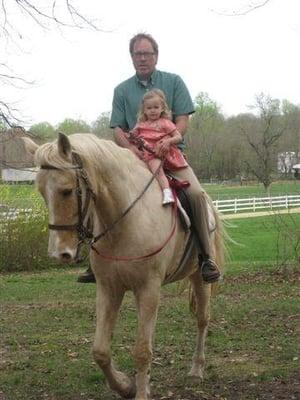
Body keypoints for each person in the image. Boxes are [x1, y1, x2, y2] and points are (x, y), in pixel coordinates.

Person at [77, 32, 220, 284]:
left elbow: (183, 120)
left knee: (196, 195)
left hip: (171, 157)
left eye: (147, 53)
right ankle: (93, 259)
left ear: (156, 55)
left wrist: (167, 142)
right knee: (98, 190)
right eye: (137, 54)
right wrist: (131, 150)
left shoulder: (174, 82)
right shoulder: (121, 90)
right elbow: (118, 128)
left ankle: (206, 257)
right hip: (134, 159)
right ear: (131, 57)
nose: (142, 58)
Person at [130, 89, 188, 205]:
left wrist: (168, 142)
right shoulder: (141, 125)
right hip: (147, 153)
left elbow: (178, 137)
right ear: (144, 110)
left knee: (157, 170)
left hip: (159, 154)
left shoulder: (165, 123)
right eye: (149, 108)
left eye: (156, 107)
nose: (153, 111)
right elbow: (133, 136)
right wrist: (131, 136)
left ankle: (167, 193)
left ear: (162, 108)